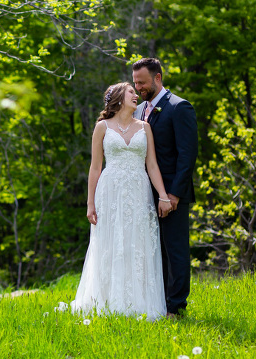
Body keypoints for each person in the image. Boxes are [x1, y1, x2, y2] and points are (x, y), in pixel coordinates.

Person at [72, 82, 172, 321]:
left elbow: (152, 165)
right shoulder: (102, 127)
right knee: (111, 244)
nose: (136, 95)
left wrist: (163, 195)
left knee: (138, 244)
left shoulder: (145, 127)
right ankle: (107, 300)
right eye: (131, 92)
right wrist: (90, 203)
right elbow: (95, 167)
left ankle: (138, 302)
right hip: (110, 192)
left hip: (139, 191)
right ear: (118, 98)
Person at [132, 58, 198, 318]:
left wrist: (173, 195)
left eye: (143, 82)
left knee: (175, 249)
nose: (138, 87)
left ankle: (176, 307)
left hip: (171, 194)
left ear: (158, 78)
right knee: (153, 249)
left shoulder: (179, 107)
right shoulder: (139, 110)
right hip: (144, 193)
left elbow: (187, 155)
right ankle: (158, 303)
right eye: (136, 82)